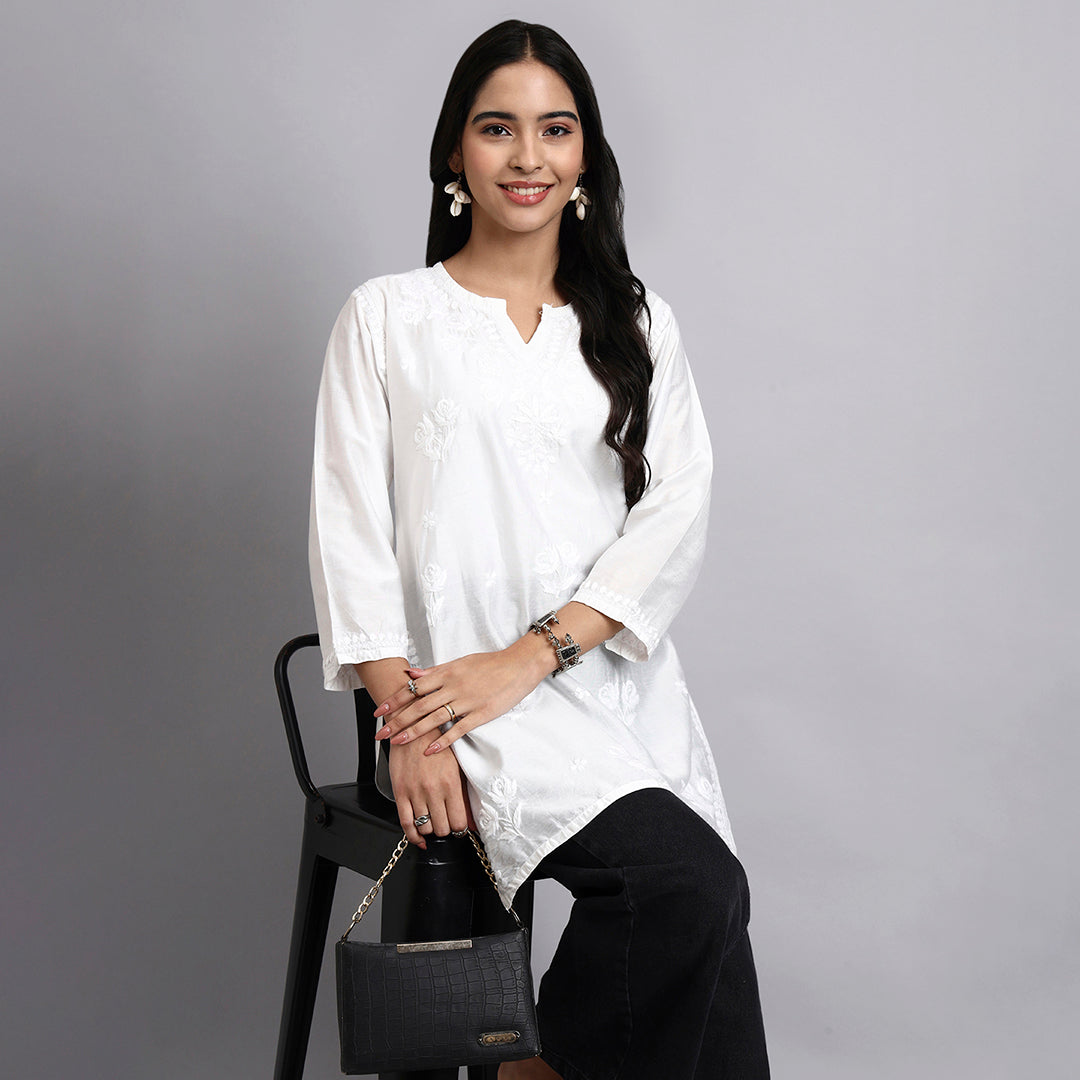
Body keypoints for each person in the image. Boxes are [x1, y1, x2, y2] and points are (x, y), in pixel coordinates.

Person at [308, 19, 770, 1079]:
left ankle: (535, 1065)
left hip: (598, 680)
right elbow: (351, 532)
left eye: (555, 130)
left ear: (586, 159)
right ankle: (538, 1066)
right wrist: (406, 724)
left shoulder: (638, 321)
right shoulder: (387, 320)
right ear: (454, 156)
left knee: (707, 897)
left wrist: (531, 657)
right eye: (497, 129)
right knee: (688, 889)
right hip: (447, 697)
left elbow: (676, 509)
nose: (528, 158)